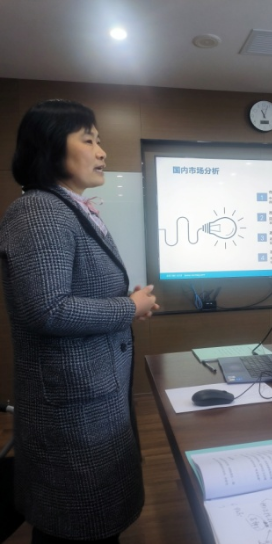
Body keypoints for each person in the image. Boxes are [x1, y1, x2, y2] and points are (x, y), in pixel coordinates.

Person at [0, 99, 159, 543]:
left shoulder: (65, 207)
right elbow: (47, 308)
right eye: (88, 140)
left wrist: (127, 303)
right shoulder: (40, 211)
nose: (101, 151)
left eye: (99, 140)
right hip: (71, 409)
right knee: (74, 527)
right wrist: (128, 308)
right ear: (50, 147)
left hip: (87, 398)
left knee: (91, 525)